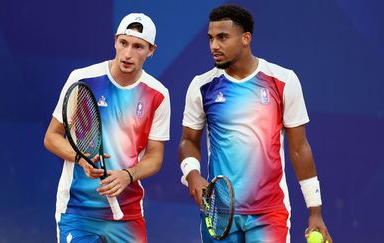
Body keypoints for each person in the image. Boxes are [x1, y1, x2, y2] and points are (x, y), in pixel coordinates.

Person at [178, 4, 332, 243]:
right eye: (210, 38)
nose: (214, 46)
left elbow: (299, 149)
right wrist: (192, 174)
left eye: (222, 37)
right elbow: (188, 141)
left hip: (269, 213)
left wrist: (315, 211)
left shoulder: (283, 81)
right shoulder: (201, 86)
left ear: (245, 38)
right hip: (219, 213)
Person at [44, 13, 170, 243]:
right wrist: (81, 158)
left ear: (151, 50)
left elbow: (155, 157)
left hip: (128, 213)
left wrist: (127, 176)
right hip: (77, 210)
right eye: (123, 43)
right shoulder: (82, 79)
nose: (128, 53)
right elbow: (52, 137)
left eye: (138, 46)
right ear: (115, 41)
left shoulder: (158, 94)